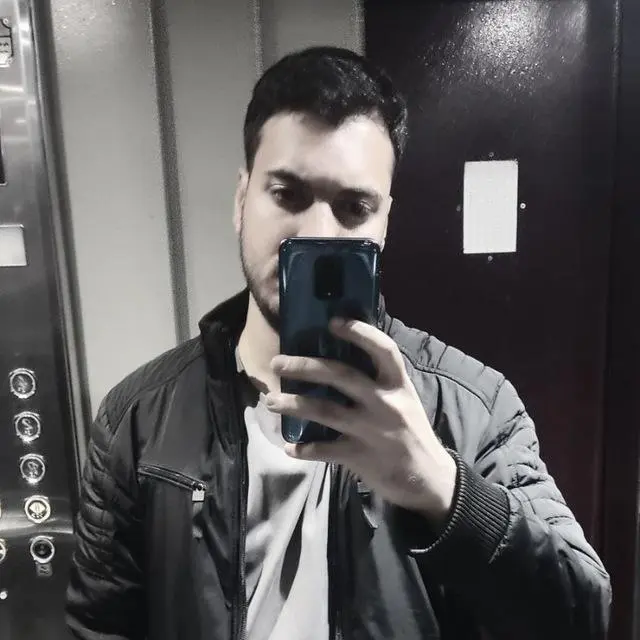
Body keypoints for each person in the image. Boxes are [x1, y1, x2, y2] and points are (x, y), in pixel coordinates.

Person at [66, 46, 611, 640]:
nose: (318, 233)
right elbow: (99, 629)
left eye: (354, 207)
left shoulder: (474, 409)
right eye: (288, 194)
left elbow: (582, 616)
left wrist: (440, 486)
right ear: (241, 201)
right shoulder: (138, 421)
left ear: (385, 222)